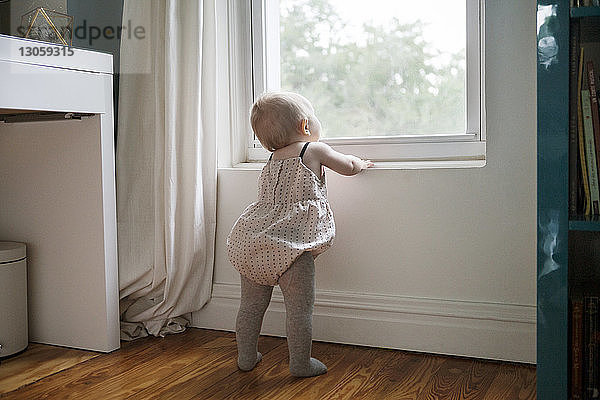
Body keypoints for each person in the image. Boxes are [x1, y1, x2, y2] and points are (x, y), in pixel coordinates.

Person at [226, 91, 373, 377]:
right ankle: (300, 364)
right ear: (305, 126)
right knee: (299, 312)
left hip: (255, 245)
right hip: (293, 249)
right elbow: (347, 166)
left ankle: (245, 358)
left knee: (250, 308)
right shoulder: (312, 150)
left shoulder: (272, 161)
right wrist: (360, 163)